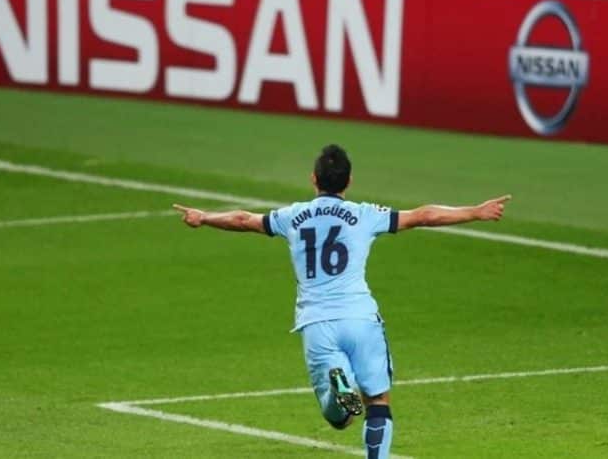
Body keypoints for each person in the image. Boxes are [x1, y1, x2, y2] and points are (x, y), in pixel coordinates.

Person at [172, 144, 510, 459]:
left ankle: (340, 385)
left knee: (339, 419)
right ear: (349, 181)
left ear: (314, 179)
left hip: (317, 323)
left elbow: (244, 220)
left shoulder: (292, 216)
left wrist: (204, 218)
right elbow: (423, 215)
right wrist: (476, 212)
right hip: (361, 318)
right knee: (378, 401)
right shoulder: (364, 214)